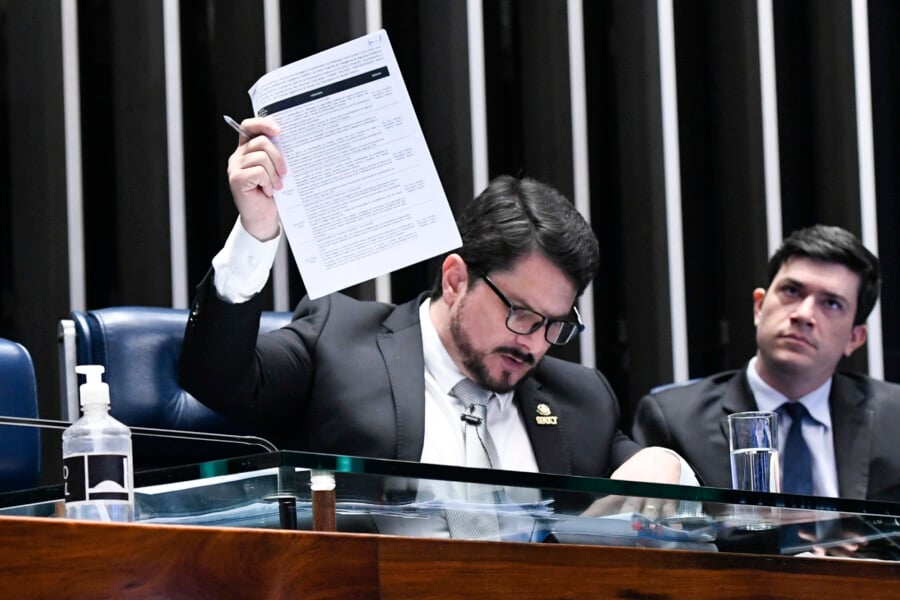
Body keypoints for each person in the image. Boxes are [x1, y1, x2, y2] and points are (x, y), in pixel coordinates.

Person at [178, 116, 690, 498]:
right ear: (454, 279)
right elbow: (217, 378)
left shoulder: (581, 401)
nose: (533, 343)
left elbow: (652, 481)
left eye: (555, 325)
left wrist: (665, 464)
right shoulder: (340, 339)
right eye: (521, 314)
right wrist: (257, 231)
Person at [632, 224, 900, 502]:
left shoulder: (893, 419)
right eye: (792, 291)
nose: (803, 314)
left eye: (831, 303)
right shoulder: (675, 420)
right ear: (759, 307)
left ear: (855, 338)